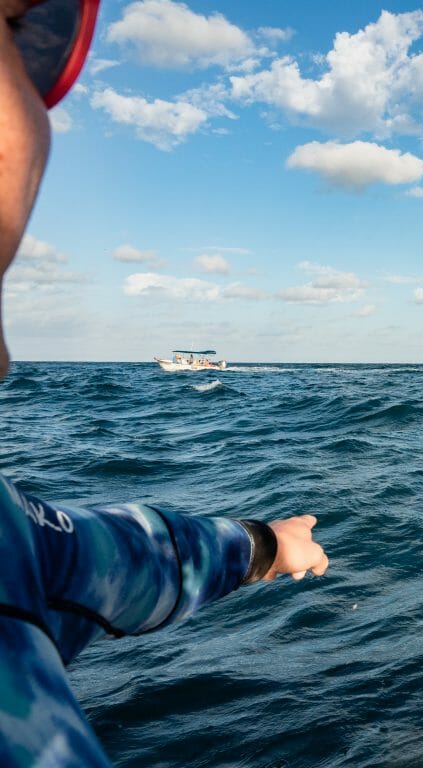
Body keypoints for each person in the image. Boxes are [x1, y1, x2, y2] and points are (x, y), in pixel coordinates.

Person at [0, 1, 329, 765]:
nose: (32, 95)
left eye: (44, 41)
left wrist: (267, 544)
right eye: (26, 27)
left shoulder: (16, 544)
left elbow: (128, 558)